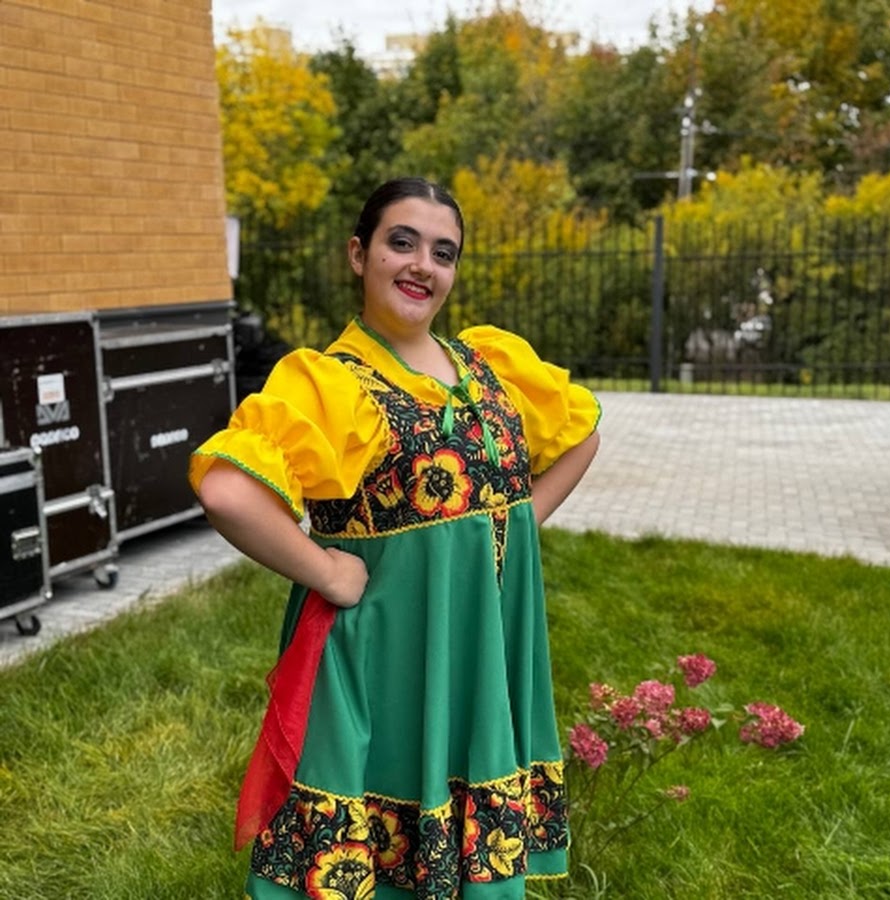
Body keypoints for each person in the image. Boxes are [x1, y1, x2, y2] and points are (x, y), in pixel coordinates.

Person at [189, 176, 601, 899]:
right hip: (382, 662)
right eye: (401, 242)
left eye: (443, 252)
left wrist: (514, 528)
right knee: (371, 851)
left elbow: (581, 434)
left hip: (476, 651)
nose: (422, 265)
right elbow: (227, 491)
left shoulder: (487, 366)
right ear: (360, 254)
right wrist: (326, 571)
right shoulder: (334, 384)